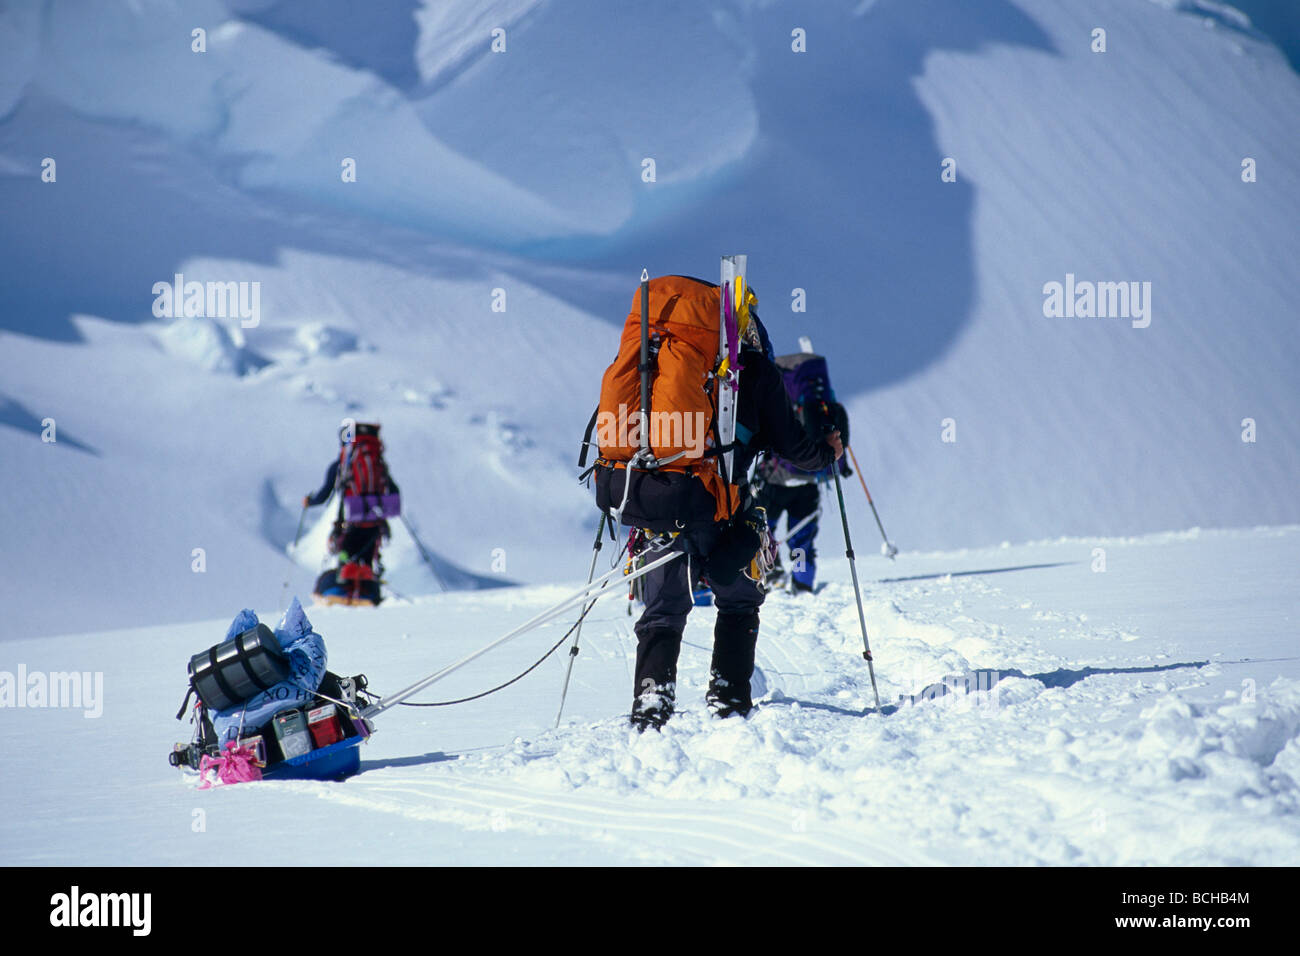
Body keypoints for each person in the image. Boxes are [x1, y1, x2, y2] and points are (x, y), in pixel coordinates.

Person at [625, 294, 843, 731]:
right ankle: (728, 696)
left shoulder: (654, 363)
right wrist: (827, 452)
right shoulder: (756, 372)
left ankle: (652, 698)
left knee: (664, 610)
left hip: (660, 504)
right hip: (726, 507)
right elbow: (792, 443)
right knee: (739, 601)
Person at [754, 362, 851, 594]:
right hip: (809, 481)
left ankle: (769, 574)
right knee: (801, 539)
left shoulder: (778, 398)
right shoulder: (823, 405)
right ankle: (802, 582)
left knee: (762, 532)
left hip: (775, 481)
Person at [303, 422, 400, 604]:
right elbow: (394, 491)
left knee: (345, 557)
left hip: (349, 521)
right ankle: (365, 593)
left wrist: (309, 501)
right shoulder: (378, 463)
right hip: (375, 522)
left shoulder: (341, 465)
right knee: (366, 560)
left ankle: (344, 593)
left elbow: (324, 495)